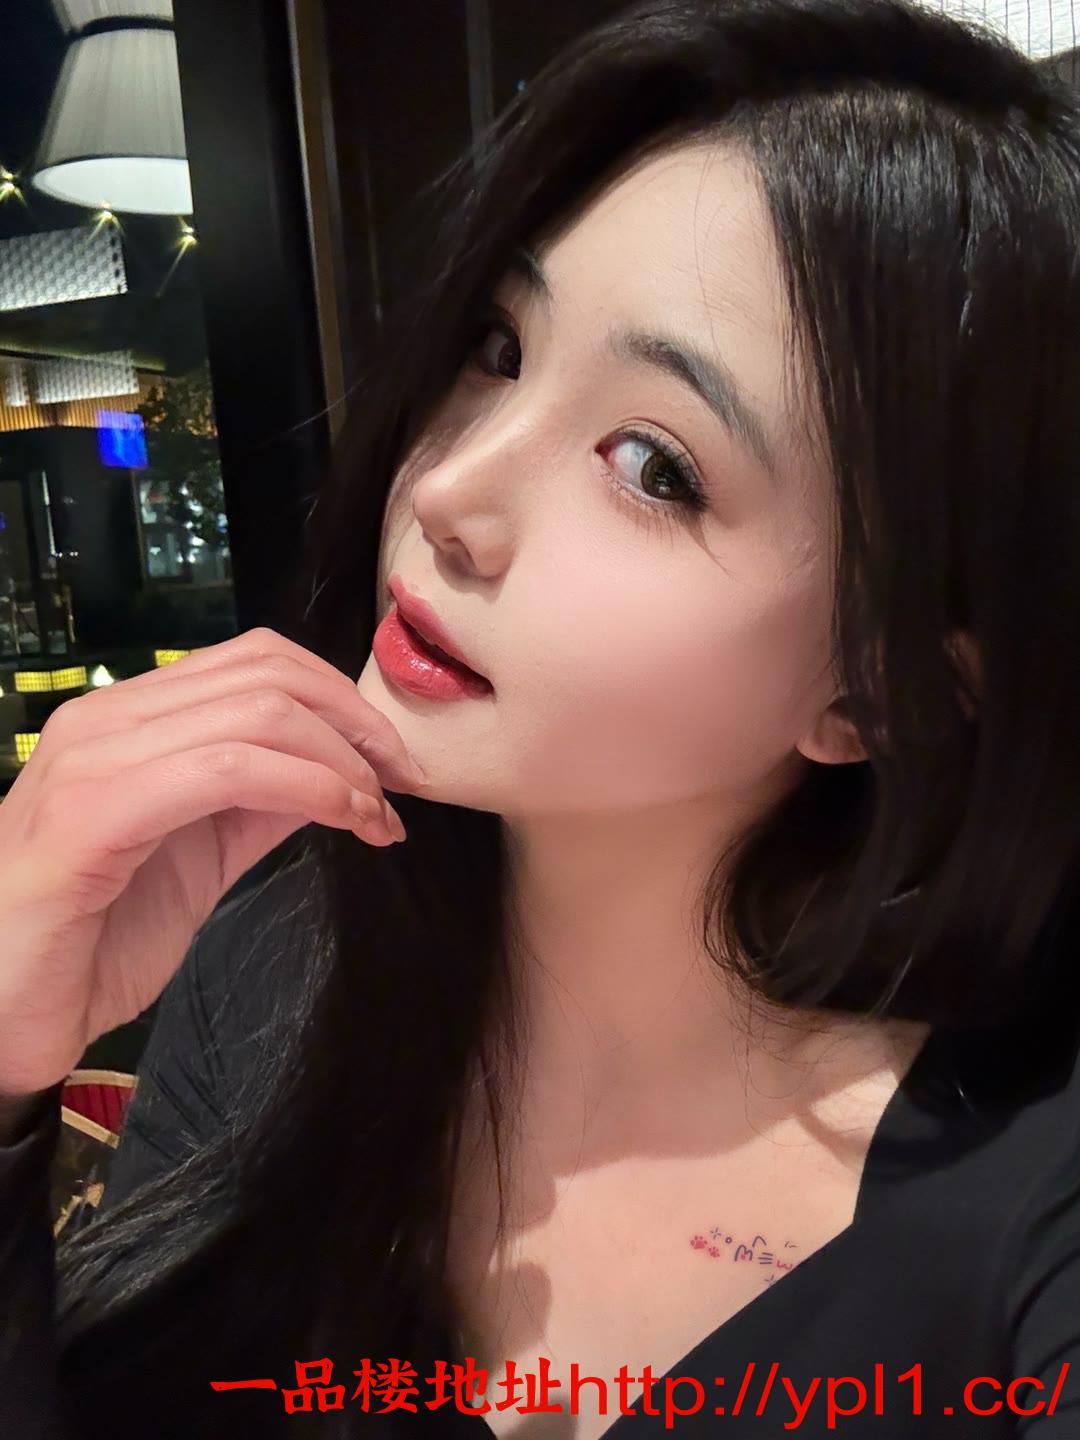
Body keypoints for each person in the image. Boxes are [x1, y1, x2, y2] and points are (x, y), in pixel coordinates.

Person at [1, 0, 1078, 1436]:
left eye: (654, 465)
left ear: (878, 687)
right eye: (499, 349)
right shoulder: (279, 978)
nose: (449, 490)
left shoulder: (1024, 1216)